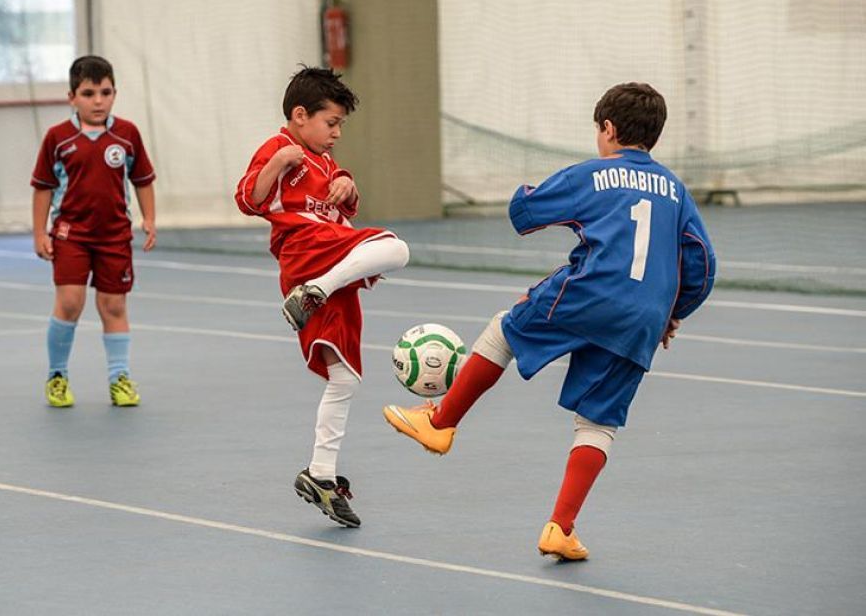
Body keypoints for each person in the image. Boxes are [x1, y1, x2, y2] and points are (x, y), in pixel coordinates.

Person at [384, 82, 715, 560]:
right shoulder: (676, 191)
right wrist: (671, 311)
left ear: (608, 129)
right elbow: (703, 262)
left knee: (506, 328)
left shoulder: (596, 174)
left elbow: (525, 212)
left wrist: (531, 190)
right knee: (599, 421)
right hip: (643, 318)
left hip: (590, 292)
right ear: (655, 138)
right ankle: (560, 528)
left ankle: (441, 420)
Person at [235, 66, 410, 527]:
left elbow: (342, 207)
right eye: (331, 123)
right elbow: (249, 199)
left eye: (339, 126)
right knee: (397, 247)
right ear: (299, 116)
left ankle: (320, 475)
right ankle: (313, 293)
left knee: (346, 377)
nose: (336, 133)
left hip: (331, 261)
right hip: (306, 254)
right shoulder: (279, 149)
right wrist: (277, 164)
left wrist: (348, 186)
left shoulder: (329, 164)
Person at [31, 55, 156, 409]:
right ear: (72, 97)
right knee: (70, 303)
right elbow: (42, 186)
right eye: (88, 93)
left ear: (114, 93)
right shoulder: (57, 137)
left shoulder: (127, 134)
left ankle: (120, 378)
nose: (98, 101)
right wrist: (40, 232)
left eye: (105, 92)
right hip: (71, 235)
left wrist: (149, 218)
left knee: (113, 305)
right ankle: (57, 376)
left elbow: (143, 180)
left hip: (115, 236)